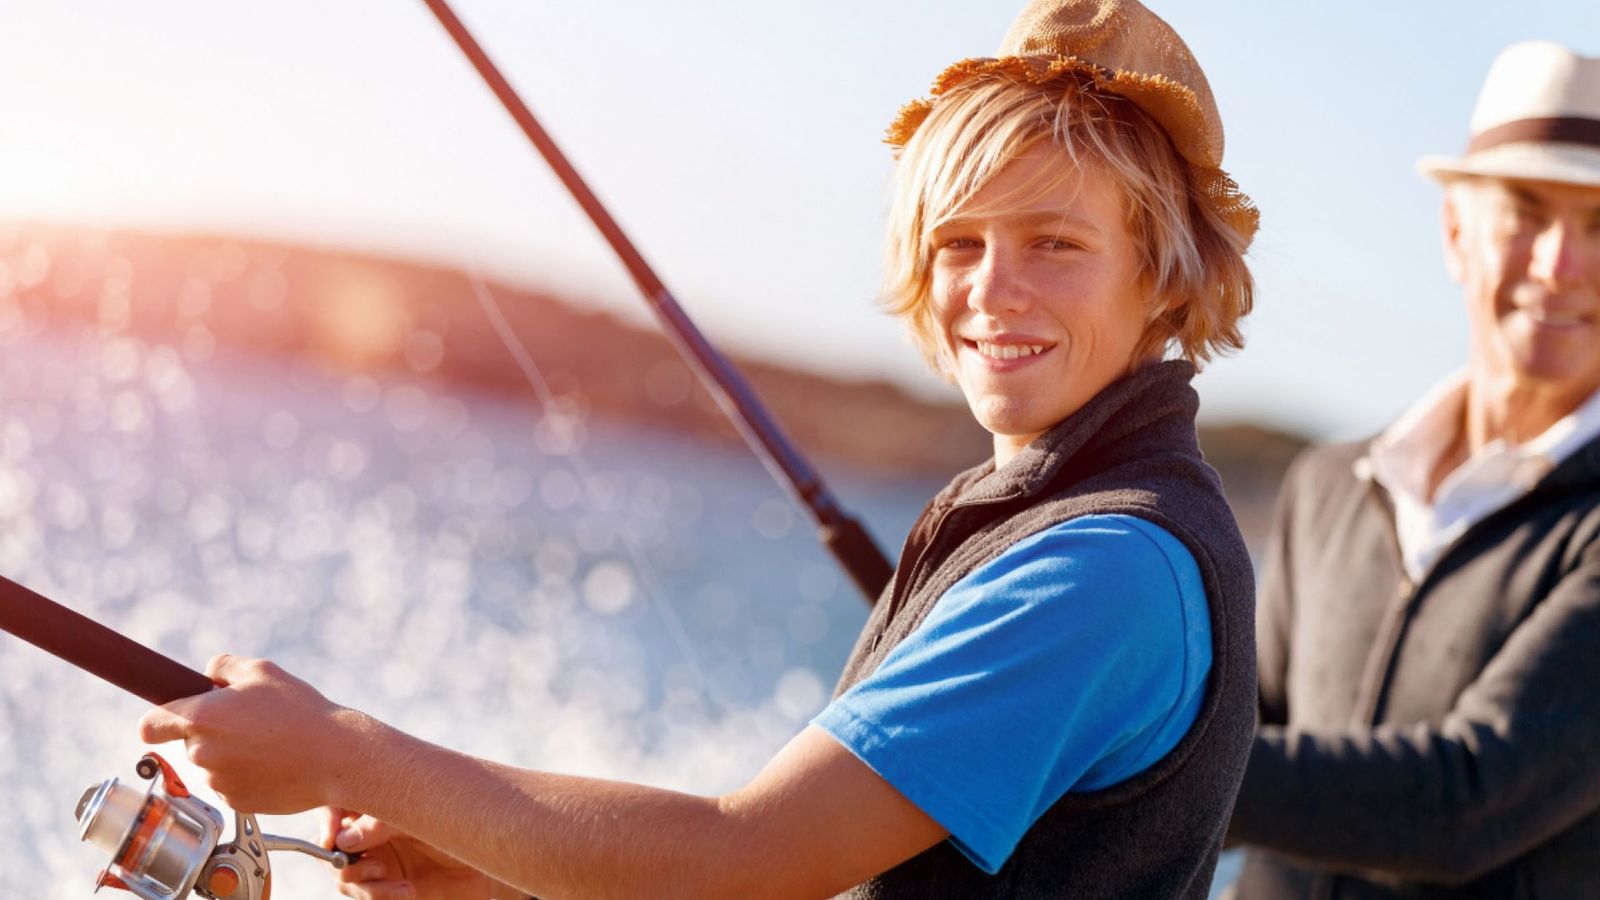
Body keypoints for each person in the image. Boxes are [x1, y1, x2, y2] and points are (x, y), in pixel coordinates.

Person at [139, 1, 1261, 896]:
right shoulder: (1044, 511)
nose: (988, 288)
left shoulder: (1106, 571)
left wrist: (346, 752)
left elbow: (743, 859)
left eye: (1053, 244)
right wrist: (508, 875)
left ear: (1163, 276)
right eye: (958, 241)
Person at [1227, 40, 1600, 899]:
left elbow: (1467, 801)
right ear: (1456, 231)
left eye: (1598, 224)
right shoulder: (1327, 485)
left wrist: (1138, 768)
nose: (1559, 265)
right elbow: (1246, 733)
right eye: (1527, 211)